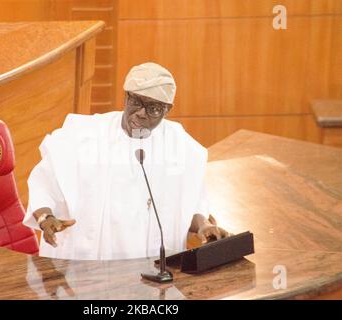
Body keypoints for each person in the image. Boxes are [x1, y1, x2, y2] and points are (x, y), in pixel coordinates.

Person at [23, 62, 229, 260]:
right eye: (136, 102)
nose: (141, 113)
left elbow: (190, 203)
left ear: (168, 110)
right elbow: (44, 181)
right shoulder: (84, 134)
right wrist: (45, 218)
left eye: (154, 108)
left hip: (152, 270)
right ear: (125, 97)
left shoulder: (180, 145)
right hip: (88, 267)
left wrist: (203, 225)